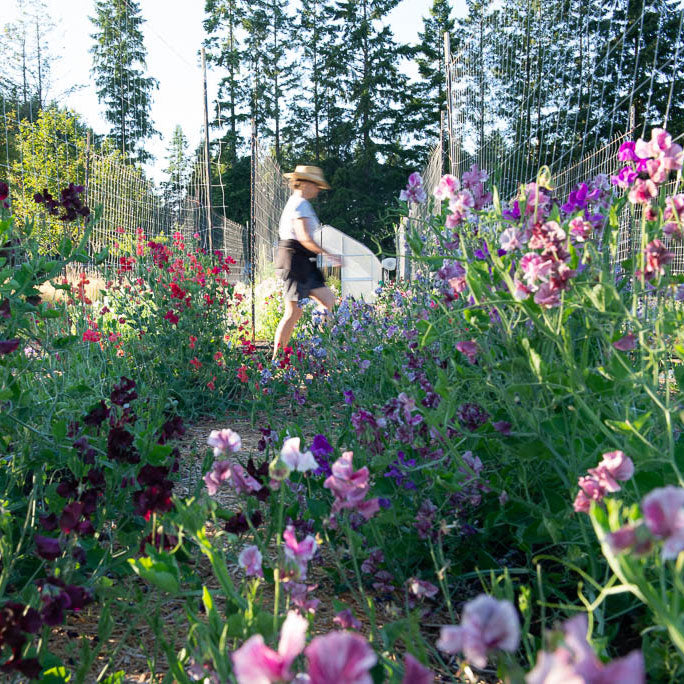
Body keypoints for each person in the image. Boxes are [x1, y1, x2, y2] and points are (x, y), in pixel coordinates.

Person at [273, 165, 340, 359]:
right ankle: (277, 361)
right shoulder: (299, 204)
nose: (318, 189)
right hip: (294, 260)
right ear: (304, 183)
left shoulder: (300, 203)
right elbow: (304, 238)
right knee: (293, 312)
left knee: (328, 301)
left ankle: (320, 352)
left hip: (303, 262)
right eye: (316, 184)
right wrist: (330, 255)